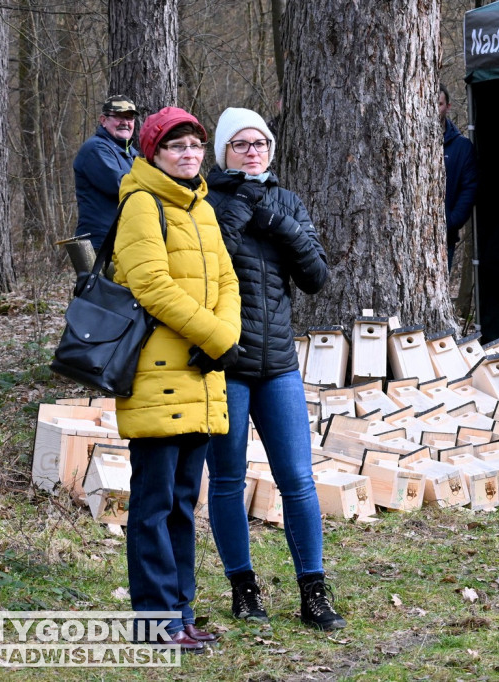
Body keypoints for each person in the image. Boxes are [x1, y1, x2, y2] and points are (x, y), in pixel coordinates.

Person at [203, 107, 346, 631]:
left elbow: (315, 276)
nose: (252, 152)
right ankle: (244, 590)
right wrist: (240, 210)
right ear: (223, 152)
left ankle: (314, 593)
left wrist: (279, 222)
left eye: (259, 143)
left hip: (280, 364)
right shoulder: (206, 201)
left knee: (298, 481)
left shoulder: (287, 200)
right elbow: (207, 262)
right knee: (227, 480)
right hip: (226, 364)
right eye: (240, 144)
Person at [112, 106, 242, 652]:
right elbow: (150, 283)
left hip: (202, 374)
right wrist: (215, 336)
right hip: (159, 374)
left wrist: (224, 335)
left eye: (195, 146)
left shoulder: (202, 206)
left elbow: (229, 279)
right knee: (153, 504)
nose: (189, 155)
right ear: (154, 153)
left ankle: (181, 614)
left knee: (185, 501)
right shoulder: (142, 203)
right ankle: (155, 621)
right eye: (176, 147)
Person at [73, 95, 140, 252]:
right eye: (117, 116)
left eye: (129, 118)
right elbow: (122, 186)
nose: (125, 122)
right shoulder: (95, 149)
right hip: (100, 244)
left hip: (123, 240)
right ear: (103, 120)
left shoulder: (132, 153)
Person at [438, 84, 479, 270]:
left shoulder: (462, 147)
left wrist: (451, 221)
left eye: (439, 104)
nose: (434, 110)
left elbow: (469, 188)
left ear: (448, 106)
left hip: (444, 239)